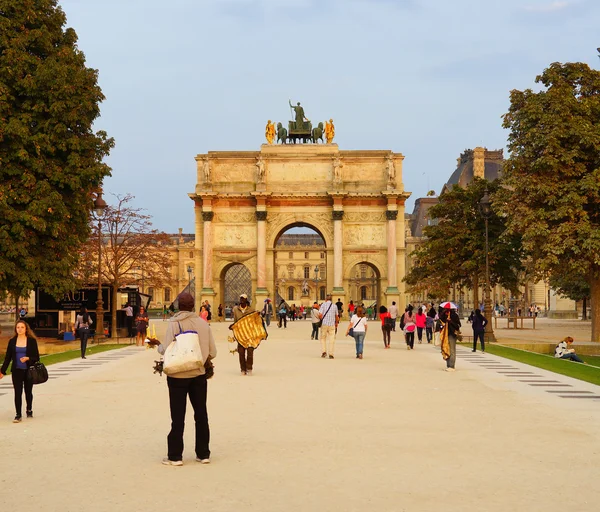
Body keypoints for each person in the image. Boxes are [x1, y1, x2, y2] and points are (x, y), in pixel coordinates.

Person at [156, 293, 217, 465]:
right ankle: (203, 453)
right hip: (198, 375)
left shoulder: (174, 324)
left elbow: (165, 349)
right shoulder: (203, 324)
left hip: (177, 375)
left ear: (178, 306)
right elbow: (213, 352)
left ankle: (175, 456)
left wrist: (157, 345)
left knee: (177, 416)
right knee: (201, 414)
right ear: (193, 306)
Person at [0, 320, 40, 423]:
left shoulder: (31, 341)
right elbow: (8, 358)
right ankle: (18, 414)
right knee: (17, 392)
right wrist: (2, 371)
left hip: (28, 370)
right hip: (17, 370)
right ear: (15, 329)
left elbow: (36, 357)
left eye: (22, 327)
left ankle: (29, 409)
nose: (20, 329)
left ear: (26, 329)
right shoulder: (12, 341)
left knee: (28, 391)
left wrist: (28, 358)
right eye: (18, 327)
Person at [231, 294, 256, 375]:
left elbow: (254, 322)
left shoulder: (251, 310)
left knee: (250, 352)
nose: (241, 300)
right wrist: (233, 327)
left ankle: (249, 368)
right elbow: (235, 321)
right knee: (241, 353)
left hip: (249, 334)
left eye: (243, 299)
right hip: (240, 334)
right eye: (241, 298)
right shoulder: (235, 309)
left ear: (246, 300)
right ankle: (243, 369)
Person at [439, 307, 462, 372]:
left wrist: (450, 321)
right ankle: (448, 365)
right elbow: (440, 322)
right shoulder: (444, 315)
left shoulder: (454, 315)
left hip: (452, 334)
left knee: (452, 349)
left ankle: (452, 365)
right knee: (446, 348)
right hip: (445, 334)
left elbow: (458, 325)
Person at [319, 294, 339, 359]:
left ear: (326, 299)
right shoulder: (334, 306)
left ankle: (324, 352)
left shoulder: (323, 305)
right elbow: (336, 316)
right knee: (332, 339)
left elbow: (320, 314)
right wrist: (336, 323)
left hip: (324, 323)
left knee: (323, 338)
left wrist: (321, 319)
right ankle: (331, 354)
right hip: (332, 324)